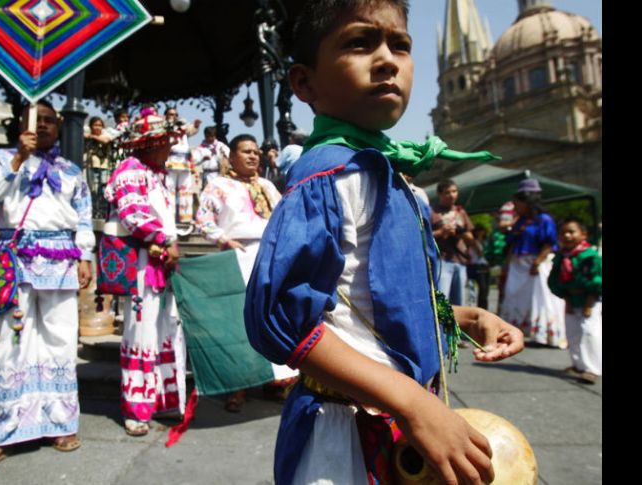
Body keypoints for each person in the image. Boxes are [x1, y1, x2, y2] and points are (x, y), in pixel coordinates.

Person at [243, 1, 525, 484]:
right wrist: (413, 402)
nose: (387, 59)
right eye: (359, 42)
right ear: (305, 83)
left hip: (403, 426)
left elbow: (367, 311)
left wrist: (467, 318)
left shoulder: (392, 175)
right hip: (345, 438)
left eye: (400, 44)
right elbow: (281, 321)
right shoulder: (329, 176)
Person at [0, 100, 94, 476]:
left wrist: (85, 255)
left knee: (60, 340)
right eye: (37, 120)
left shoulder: (71, 170)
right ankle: (0, 435)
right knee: (11, 344)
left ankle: (60, 423)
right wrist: (18, 159)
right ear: (20, 123)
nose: (45, 127)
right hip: (16, 260)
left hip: (61, 259)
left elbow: (83, 215)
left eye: (51, 121)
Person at [196, 134, 298, 411]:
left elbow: (285, 216)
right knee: (238, 322)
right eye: (246, 151)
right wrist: (223, 239)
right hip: (237, 255)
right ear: (231, 157)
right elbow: (202, 220)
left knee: (271, 317)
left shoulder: (267, 185)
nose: (254, 156)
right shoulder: (218, 185)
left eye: (256, 152)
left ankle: (277, 381)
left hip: (270, 256)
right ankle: (238, 385)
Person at [103, 113, 188, 435]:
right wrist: (164, 239)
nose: (171, 147)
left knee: (164, 327)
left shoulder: (155, 175)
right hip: (142, 263)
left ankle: (161, 400)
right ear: (153, 143)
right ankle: (137, 407)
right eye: (166, 141)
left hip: (159, 263)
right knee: (141, 331)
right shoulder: (130, 171)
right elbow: (132, 214)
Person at [499, 179, 566, 348]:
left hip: (536, 263)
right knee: (515, 298)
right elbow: (512, 242)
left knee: (542, 299)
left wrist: (537, 262)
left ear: (527, 201)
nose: (515, 206)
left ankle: (546, 335)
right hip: (517, 264)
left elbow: (549, 242)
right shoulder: (521, 220)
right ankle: (514, 332)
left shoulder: (544, 219)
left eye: (517, 202)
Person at [548, 218, 602, 384]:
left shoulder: (590, 256)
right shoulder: (561, 257)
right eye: (563, 233)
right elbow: (554, 280)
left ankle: (593, 368)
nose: (567, 236)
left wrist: (589, 301)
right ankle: (578, 364)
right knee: (573, 332)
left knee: (589, 332)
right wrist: (565, 296)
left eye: (571, 232)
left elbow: (597, 279)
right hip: (570, 299)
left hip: (589, 299)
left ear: (583, 234)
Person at [431, 179, 475, 306]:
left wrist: (460, 231)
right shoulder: (432, 212)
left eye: (454, 191)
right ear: (440, 194)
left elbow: (471, 239)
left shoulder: (461, 212)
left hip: (460, 260)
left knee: (459, 301)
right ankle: (441, 326)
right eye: (447, 192)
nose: (452, 195)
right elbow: (425, 237)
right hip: (442, 260)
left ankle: (457, 326)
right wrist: (441, 231)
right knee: (442, 301)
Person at [163, 107, 201, 225]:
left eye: (175, 115)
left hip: (184, 165)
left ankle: (186, 218)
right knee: (169, 192)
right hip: (170, 164)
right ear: (166, 115)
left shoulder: (182, 127)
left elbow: (191, 130)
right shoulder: (163, 127)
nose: (173, 117)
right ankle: (169, 217)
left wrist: (196, 125)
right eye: (170, 114)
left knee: (186, 192)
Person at [192, 125, 230, 190]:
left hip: (219, 174)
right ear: (205, 136)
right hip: (206, 174)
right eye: (208, 136)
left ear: (215, 136)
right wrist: (202, 159)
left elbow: (229, 156)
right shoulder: (200, 148)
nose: (210, 138)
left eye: (212, 136)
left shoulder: (221, 146)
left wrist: (223, 156)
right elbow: (193, 161)